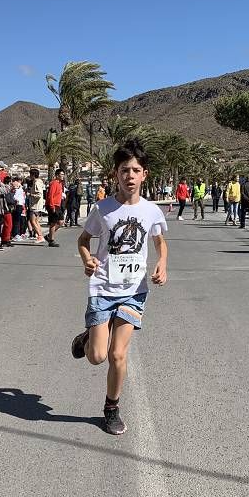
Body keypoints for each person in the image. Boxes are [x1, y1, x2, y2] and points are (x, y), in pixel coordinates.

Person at [70, 139, 168, 436]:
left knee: (117, 355)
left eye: (135, 170)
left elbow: (159, 241)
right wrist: (87, 259)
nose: (130, 175)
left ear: (144, 174)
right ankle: (88, 337)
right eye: (125, 170)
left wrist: (162, 262)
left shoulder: (152, 211)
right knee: (97, 356)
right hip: (102, 289)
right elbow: (83, 241)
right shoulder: (103, 209)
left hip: (133, 291)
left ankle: (111, 409)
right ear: (116, 174)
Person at [45, 168, 65, 246]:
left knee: (60, 222)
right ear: (57, 175)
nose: (63, 176)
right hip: (52, 205)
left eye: (63, 174)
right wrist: (52, 206)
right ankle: (51, 240)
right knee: (53, 222)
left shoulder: (60, 183)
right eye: (61, 174)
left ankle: (49, 236)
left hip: (58, 205)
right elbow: (50, 196)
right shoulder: (54, 183)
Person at [25, 167, 45, 243]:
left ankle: (40, 236)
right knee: (36, 221)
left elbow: (39, 194)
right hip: (37, 205)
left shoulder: (36, 183)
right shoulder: (38, 182)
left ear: (33, 175)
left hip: (35, 205)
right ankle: (40, 235)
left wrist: (30, 194)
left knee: (32, 221)